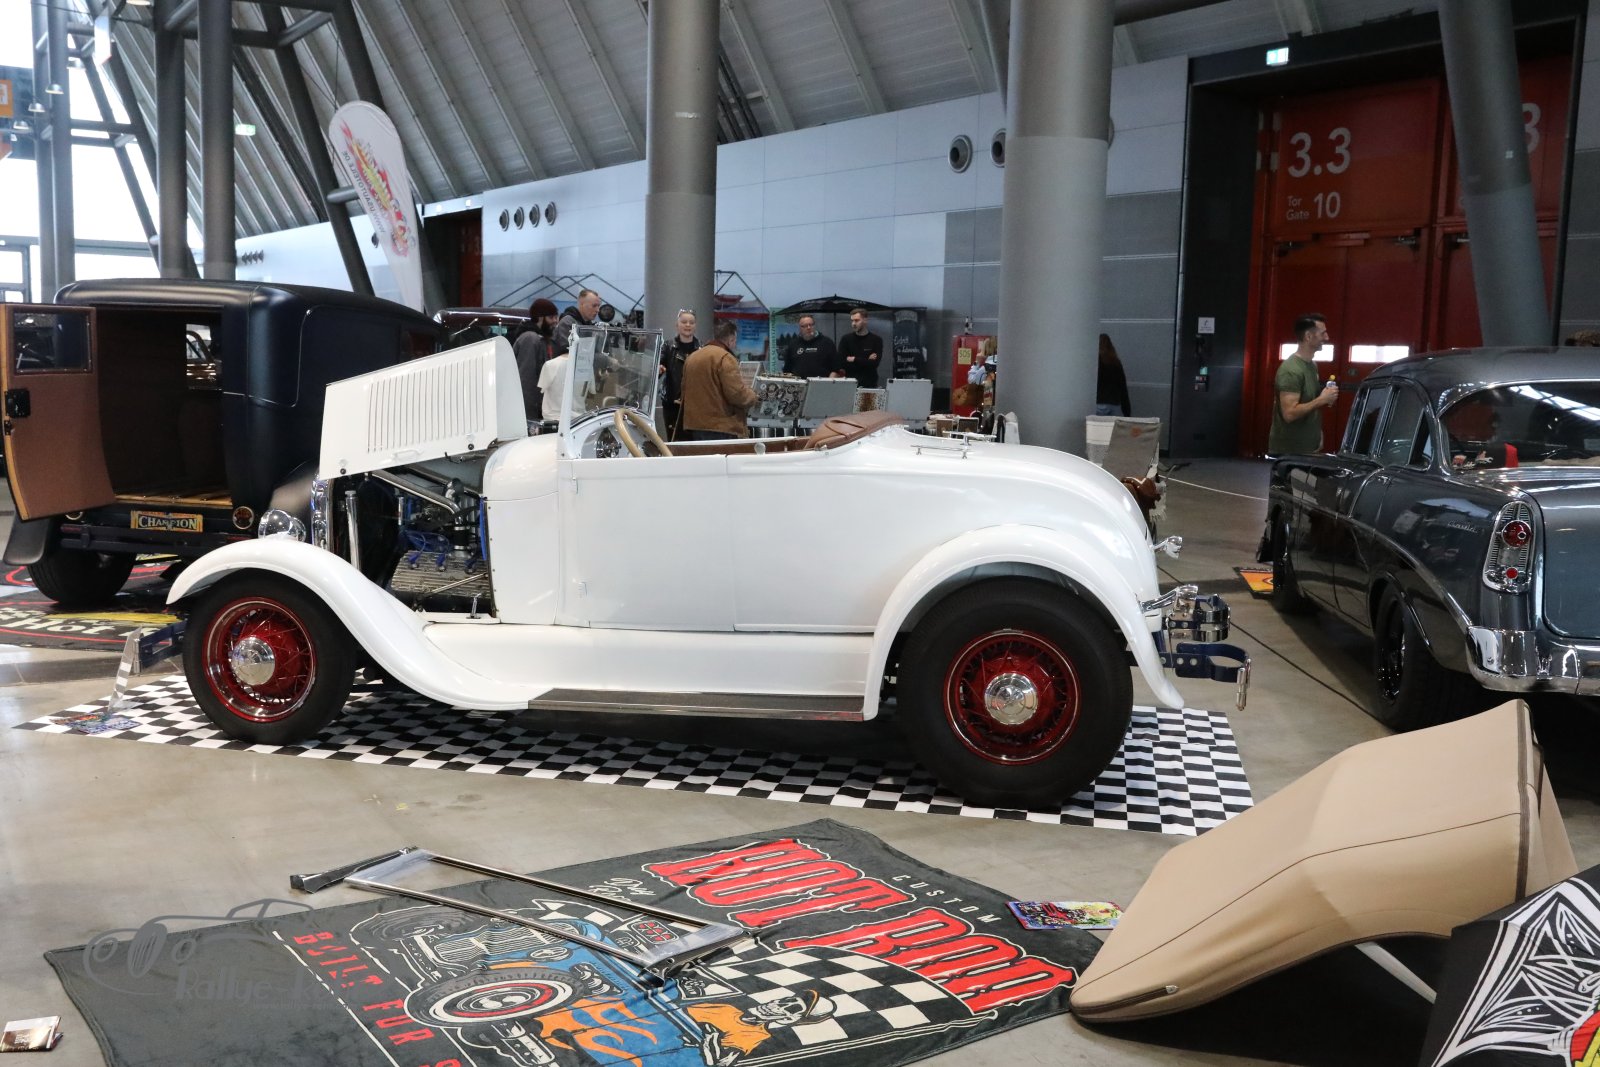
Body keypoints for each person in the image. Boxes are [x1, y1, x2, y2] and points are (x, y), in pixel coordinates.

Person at [688, 990, 836, 1065]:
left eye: (792, 1008)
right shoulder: (728, 1009)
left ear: (790, 1019)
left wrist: (711, 1038)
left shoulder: (754, 1035)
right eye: (786, 1000)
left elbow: (718, 1062)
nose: (777, 1005)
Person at [1267, 312, 1338, 456]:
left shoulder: (1312, 365)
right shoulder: (1291, 370)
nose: (1327, 337)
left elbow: (1310, 404)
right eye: (1323, 333)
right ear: (1308, 336)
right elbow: (1289, 414)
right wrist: (1322, 400)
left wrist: (1317, 433)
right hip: (1290, 452)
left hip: (1308, 449)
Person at [680, 320, 757, 440]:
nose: (735, 344)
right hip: (720, 426)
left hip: (695, 425)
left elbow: (684, 390)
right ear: (731, 339)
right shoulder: (725, 358)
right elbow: (736, 394)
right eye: (735, 341)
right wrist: (753, 396)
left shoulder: (692, 357)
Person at [511, 297, 560, 425]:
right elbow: (526, 380)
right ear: (539, 318)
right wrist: (530, 420)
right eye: (551, 317)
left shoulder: (542, 339)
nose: (555, 321)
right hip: (529, 414)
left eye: (556, 317)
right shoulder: (530, 339)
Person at [661, 309, 701, 439]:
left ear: (695, 326)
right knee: (674, 440)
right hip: (672, 404)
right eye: (684, 322)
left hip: (695, 405)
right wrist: (659, 369)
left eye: (691, 322)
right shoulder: (667, 346)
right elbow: (657, 367)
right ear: (677, 325)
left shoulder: (701, 348)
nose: (688, 325)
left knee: (694, 442)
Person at [838, 307, 884, 388]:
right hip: (850, 384)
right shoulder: (846, 339)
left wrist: (854, 359)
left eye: (856, 320)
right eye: (852, 321)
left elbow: (874, 364)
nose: (853, 324)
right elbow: (842, 363)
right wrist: (867, 360)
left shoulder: (876, 340)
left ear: (865, 320)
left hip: (869, 384)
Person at [553, 288, 602, 357]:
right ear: (582, 304)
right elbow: (568, 352)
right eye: (594, 306)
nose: (597, 310)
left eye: (598, 306)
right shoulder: (567, 323)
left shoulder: (589, 325)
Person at [1095, 333, 1131, 417]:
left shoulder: (1095, 362)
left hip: (1098, 402)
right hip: (1114, 403)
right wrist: (1127, 412)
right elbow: (1123, 387)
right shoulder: (1115, 363)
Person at [535, 343, 571, 423]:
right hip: (579, 420)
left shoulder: (550, 364)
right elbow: (591, 393)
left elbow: (542, 389)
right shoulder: (585, 366)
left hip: (553, 418)